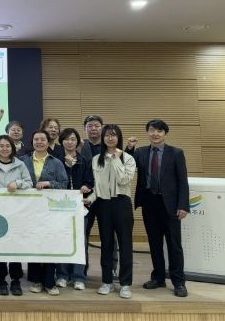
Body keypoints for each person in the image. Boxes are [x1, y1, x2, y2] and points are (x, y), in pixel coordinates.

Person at [129, 119, 189, 297]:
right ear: (147, 132)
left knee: (174, 245)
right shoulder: (140, 152)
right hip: (149, 202)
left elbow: (182, 181)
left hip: (170, 204)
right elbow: (126, 164)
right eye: (152, 130)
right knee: (154, 243)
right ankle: (158, 277)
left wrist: (183, 205)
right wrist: (129, 149)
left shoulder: (176, 153)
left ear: (165, 134)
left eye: (159, 131)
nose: (155, 134)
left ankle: (179, 282)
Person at [85, 124, 136, 299]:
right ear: (103, 138)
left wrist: (116, 159)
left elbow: (124, 180)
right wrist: (90, 199)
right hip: (103, 205)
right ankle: (106, 281)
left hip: (122, 203)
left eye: (114, 135)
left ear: (119, 138)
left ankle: (125, 284)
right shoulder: (96, 159)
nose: (110, 138)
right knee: (106, 244)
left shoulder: (128, 158)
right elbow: (97, 186)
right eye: (107, 135)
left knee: (125, 244)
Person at [0, 135, 32, 296]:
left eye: (7, 146)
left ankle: (16, 280)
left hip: (16, 211)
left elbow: (29, 183)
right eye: (1, 146)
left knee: (15, 245)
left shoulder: (20, 164)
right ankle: (1, 280)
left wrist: (17, 184)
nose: (4, 149)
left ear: (12, 148)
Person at [21, 129, 68, 296]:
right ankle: (36, 280)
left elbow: (64, 184)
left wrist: (49, 183)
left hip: (50, 210)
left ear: (48, 142)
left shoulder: (56, 162)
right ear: (32, 142)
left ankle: (49, 282)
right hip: (28, 210)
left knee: (49, 245)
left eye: (42, 139)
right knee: (33, 244)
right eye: (36, 139)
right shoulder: (23, 160)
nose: (39, 142)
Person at [55, 128, 93, 291]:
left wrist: (86, 186)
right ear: (61, 141)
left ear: (78, 142)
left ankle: (79, 276)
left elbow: (90, 181)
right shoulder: (56, 160)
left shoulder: (84, 160)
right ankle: (62, 275)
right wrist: (67, 165)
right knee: (62, 240)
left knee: (80, 242)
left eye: (73, 139)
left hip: (79, 206)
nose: (70, 142)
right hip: (59, 207)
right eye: (67, 139)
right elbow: (55, 181)